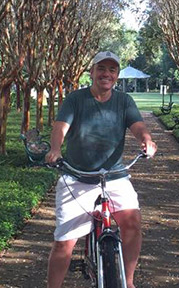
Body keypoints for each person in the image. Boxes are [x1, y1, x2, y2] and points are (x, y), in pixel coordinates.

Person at [45, 51, 157, 288]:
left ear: (116, 75)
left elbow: (138, 126)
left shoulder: (124, 101)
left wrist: (146, 140)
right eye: (102, 69)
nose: (107, 74)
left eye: (112, 70)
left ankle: (128, 281)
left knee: (132, 224)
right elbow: (60, 127)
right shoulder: (76, 99)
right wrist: (56, 149)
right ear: (92, 72)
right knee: (64, 242)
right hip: (77, 177)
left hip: (114, 175)